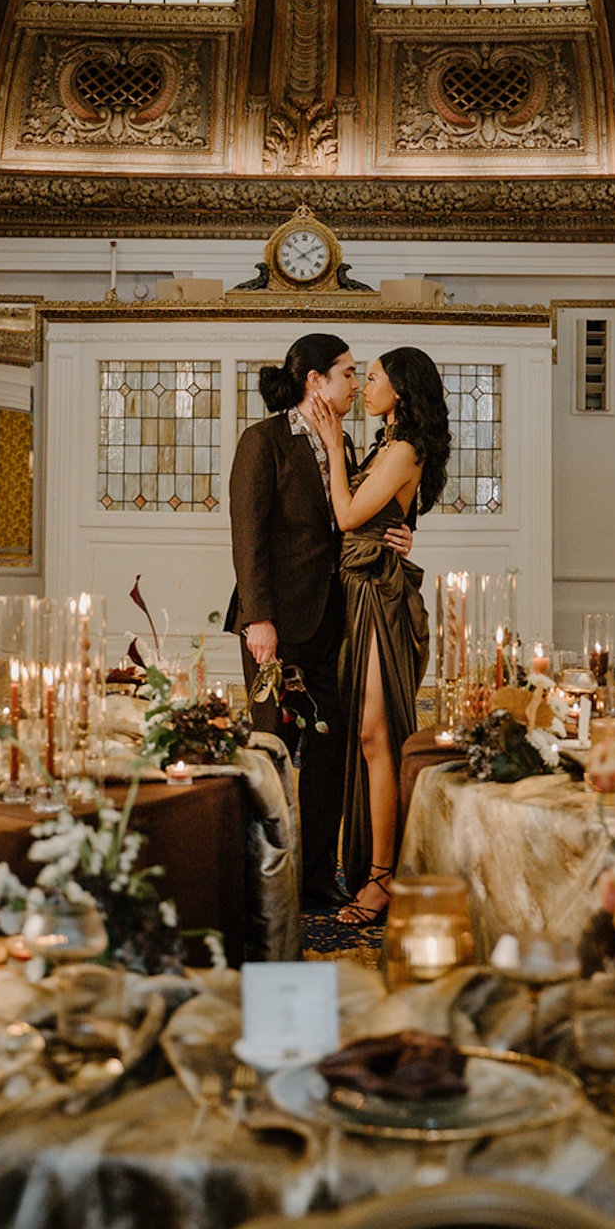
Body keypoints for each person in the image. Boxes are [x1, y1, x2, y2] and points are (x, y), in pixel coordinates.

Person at [226, 334, 411, 912]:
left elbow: (351, 516)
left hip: (339, 621)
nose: (357, 385)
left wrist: (398, 534)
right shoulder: (262, 441)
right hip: (275, 625)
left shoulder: (345, 442)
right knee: (274, 750)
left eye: (359, 376)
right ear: (316, 381)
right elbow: (248, 537)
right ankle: (266, 877)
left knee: (331, 755)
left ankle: (313, 879)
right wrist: (259, 619)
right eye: (349, 374)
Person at [310, 347, 450, 927]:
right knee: (367, 736)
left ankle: (383, 876)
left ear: (401, 390)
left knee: (377, 734)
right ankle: (378, 866)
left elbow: (345, 516)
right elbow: (381, 520)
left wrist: (333, 438)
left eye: (373, 379)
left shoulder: (403, 449)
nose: (365, 387)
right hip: (359, 590)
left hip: (379, 598)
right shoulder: (386, 447)